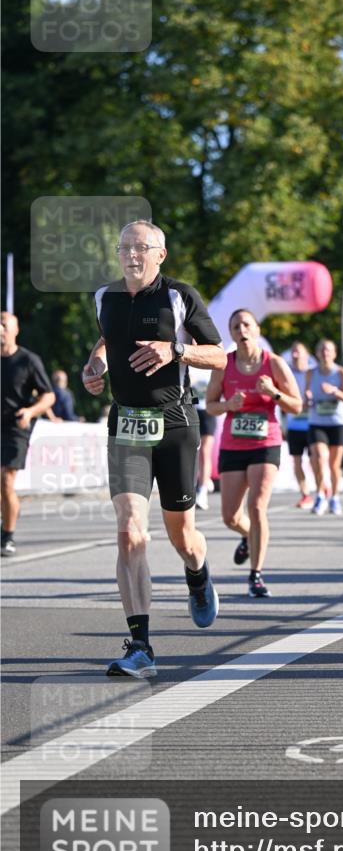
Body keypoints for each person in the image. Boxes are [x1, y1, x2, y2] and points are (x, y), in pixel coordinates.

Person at [82, 220, 225, 678]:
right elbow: (109, 337)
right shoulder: (105, 297)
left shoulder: (179, 297)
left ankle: (198, 574)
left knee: (182, 535)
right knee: (129, 530)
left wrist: (176, 351)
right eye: (124, 247)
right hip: (126, 423)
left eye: (141, 248)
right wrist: (95, 362)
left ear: (160, 255)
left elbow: (219, 354)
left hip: (176, 423)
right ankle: (140, 644)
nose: (131, 255)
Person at [206, 309, 302, 597]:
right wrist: (228, 406)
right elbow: (210, 404)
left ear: (257, 329)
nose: (242, 330)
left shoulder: (274, 364)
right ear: (232, 333)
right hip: (233, 445)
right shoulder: (224, 365)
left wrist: (273, 393)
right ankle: (249, 536)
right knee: (229, 516)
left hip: (265, 443)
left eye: (246, 324)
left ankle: (255, 575)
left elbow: (296, 406)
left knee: (257, 507)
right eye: (236, 326)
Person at [1, 312, 55, 556]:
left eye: (3, 323)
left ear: (15, 329)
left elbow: (48, 395)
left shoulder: (28, 360)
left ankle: (7, 537)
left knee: (6, 480)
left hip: (16, 426)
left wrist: (30, 411)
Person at [306, 339, 343, 515]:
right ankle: (320, 495)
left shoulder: (342, 373)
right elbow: (306, 397)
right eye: (321, 350)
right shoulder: (311, 373)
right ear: (317, 353)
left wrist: (335, 392)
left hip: (337, 423)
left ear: (334, 354)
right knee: (318, 457)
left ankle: (335, 497)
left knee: (334, 465)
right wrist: (308, 398)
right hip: (317, 422)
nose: (325, 353)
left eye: (328, 350)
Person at [286, 341, 314, 509]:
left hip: (313, 424)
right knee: (297, 461)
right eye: (293, 351)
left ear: (306, 354)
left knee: (316, 459)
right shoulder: (287, 372)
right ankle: (305, 494)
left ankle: (323, 490)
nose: (295, 354)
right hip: (294, 424)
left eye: (298, 351)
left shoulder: (313, 372)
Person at [193, 374, 217, 510]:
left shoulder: (211, 361)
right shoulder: (184, 356)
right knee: (192, 451)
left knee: (205, 451)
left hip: (207, 411)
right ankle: (204, 479)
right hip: (189, 410)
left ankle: (202, 491)